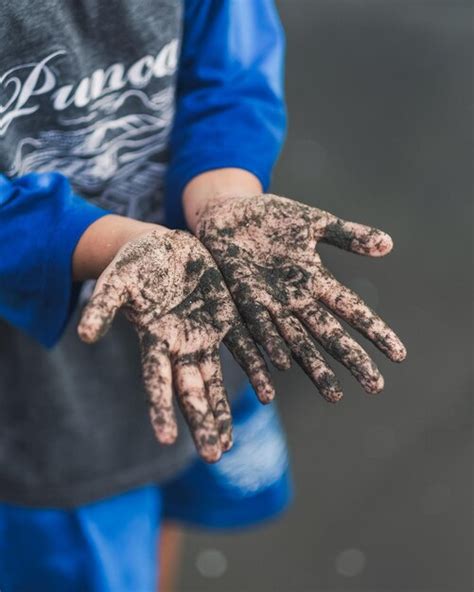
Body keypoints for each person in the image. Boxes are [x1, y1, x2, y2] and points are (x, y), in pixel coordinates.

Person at [0, 1, 406, 590]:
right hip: (40, 383)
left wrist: (224, 199)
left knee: (178, 483)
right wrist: (101, 243)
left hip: (197, 303)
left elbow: (229, 79)